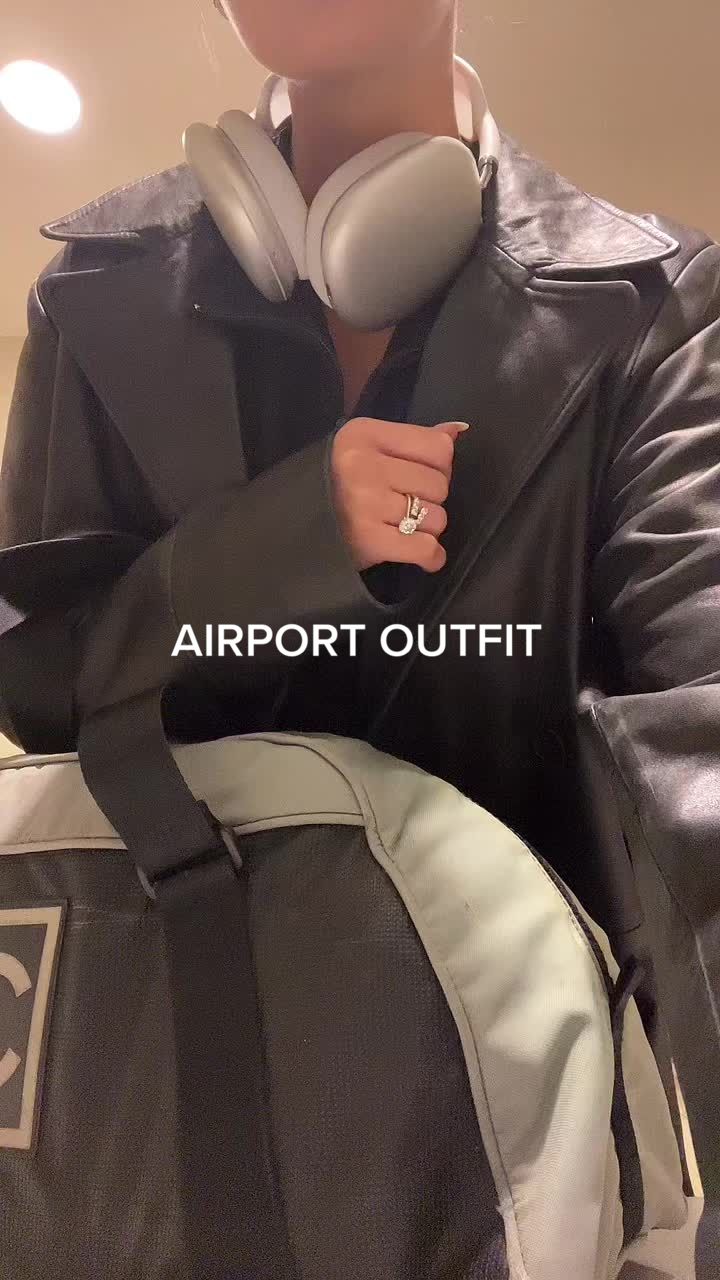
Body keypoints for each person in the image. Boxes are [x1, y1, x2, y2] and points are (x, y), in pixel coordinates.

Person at [0, 0, 718, 1224]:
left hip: (504, 1151)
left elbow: (701, 757)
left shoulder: (654, 307)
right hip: (150, 1117)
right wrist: (269, 551)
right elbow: (40, 684)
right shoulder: (89, 292)